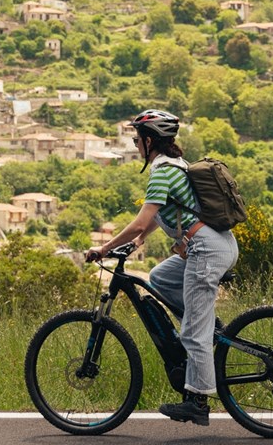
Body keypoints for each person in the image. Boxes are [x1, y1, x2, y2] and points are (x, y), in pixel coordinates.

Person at [86, 109, 239, 427]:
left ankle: (197, 402)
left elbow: (142, 219)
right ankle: (206, 324)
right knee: (159, 277)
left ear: (149, 140)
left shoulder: (162, 171)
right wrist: (138, 241)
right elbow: (163, 215)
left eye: (136, 139)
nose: (134, 144)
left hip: (205, 249)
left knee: (192, 334)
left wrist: (104, 248)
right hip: (214, 244)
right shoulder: (174, 166)